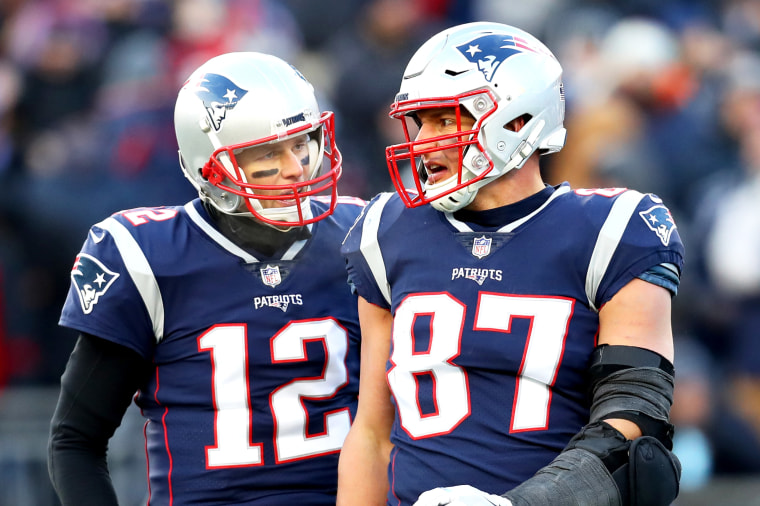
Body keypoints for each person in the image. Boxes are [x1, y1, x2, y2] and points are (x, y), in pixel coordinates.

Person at [338, 22, 683, 506]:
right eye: (422, 122)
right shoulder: (385, 230)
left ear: (518, 121)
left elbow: (634, 419)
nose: (426, 140)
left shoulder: (614, 228)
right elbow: (373, 434)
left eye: (446, 120)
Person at [48, 52, 365, 505]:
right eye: (267, 153)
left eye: (302, 142)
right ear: (209, 167)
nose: (296, 166)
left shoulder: (362, 235)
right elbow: (75, 442)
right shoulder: (149, 255)